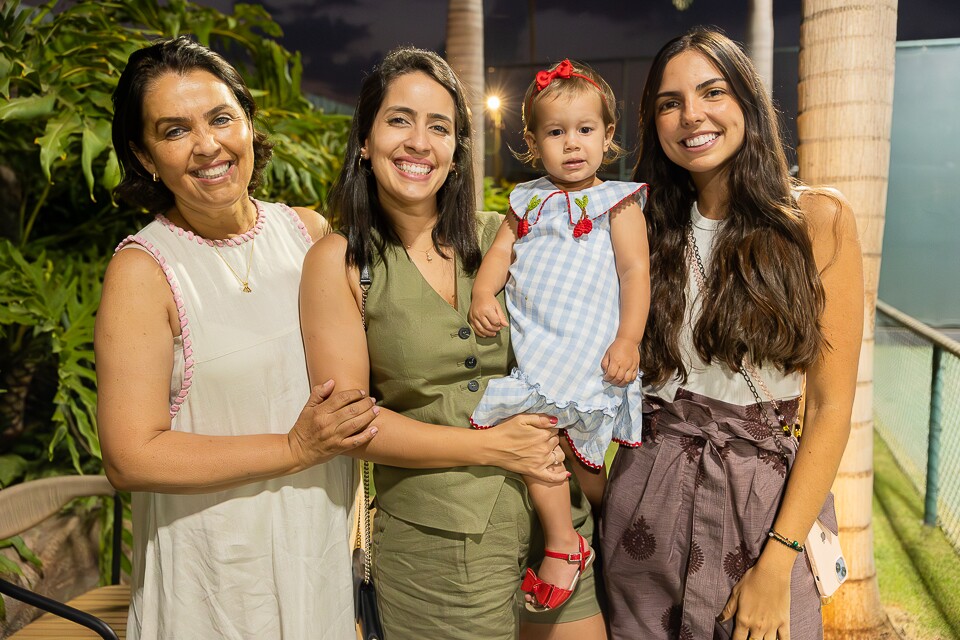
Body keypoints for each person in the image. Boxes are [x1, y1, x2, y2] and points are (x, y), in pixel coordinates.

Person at [299, 47, 609, 640]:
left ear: (456, 149)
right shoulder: (340, 261)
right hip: (437, 550)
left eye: (439, 127)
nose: (419, 142)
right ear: (364, 141)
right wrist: (495, 449)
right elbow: (351, 424)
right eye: (398, 120)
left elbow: (579, 332)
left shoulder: (506, 235)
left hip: (557, 530)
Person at [95, 36, 379, 640]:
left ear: (248, 124)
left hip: (318, 560)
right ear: (146, 157)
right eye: (173, 131)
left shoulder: (307, 233)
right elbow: (130, 454)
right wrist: (296, 447)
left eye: (221, 118)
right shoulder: (144, 270)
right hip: (215, 579)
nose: (207, 145)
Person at [599, 27, 864, 640]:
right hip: (648, 494)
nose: (692, 115)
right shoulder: (636, 229)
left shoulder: (817, 222)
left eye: (712, 91)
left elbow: (829, 407)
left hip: (765, 503)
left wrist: (778, 560)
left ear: (746, 100)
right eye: (669, 103)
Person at [468, 59, 649, 613]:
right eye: (555, 132)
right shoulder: (525, 201)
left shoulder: (618, 204)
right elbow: (500, 254)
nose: (572, 144)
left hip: (591, 351)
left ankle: (600, 542)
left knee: (581, 459)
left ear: (608, 137)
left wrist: (629, 340)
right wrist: (482, 293)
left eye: (585, 130)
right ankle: (565, 541)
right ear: (531, 141)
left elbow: (634, 274)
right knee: (536, 438)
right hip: (540, 347)